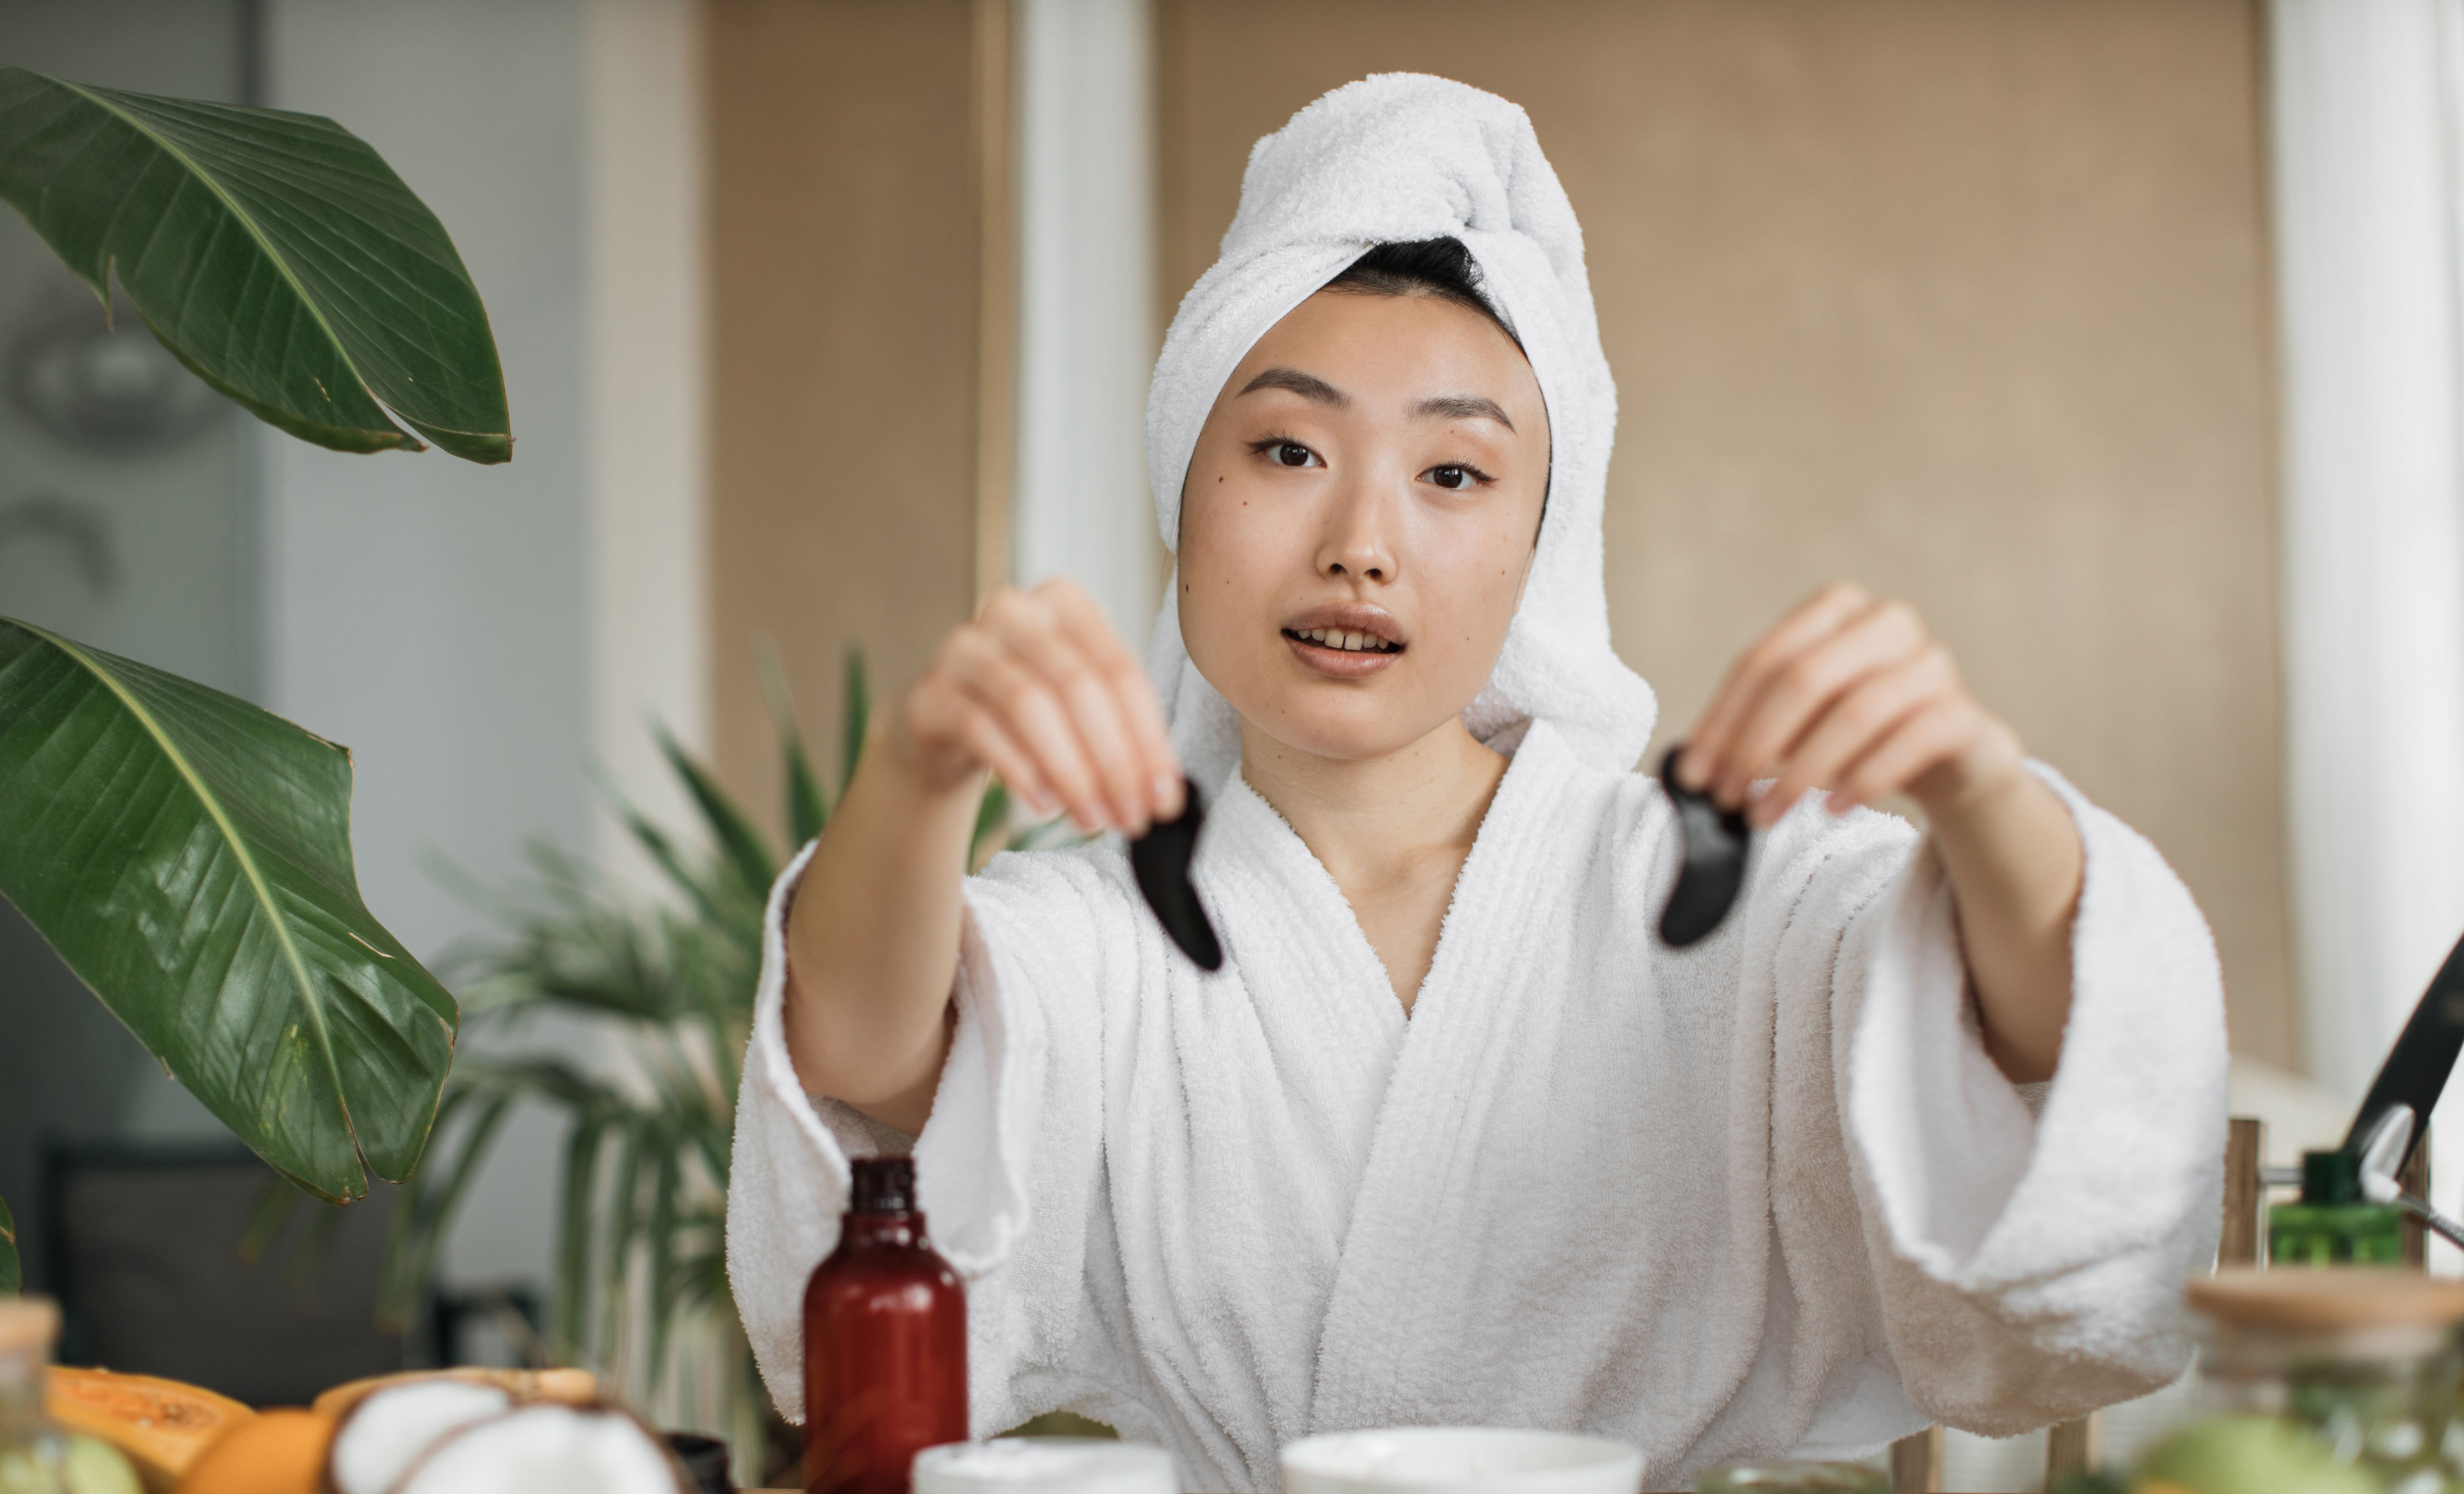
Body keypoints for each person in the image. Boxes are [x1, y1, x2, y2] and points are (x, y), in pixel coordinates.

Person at [727, 73, 2224, 1493]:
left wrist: (1972, 789)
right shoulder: (1120, 927)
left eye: (1453, 474)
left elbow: (2031, 1032)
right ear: (1183, 492)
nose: (1361, 542)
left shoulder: (1706, 897)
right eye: (1288, 448)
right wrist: (921, 772)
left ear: (1539, 545)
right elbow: (865, 1061)